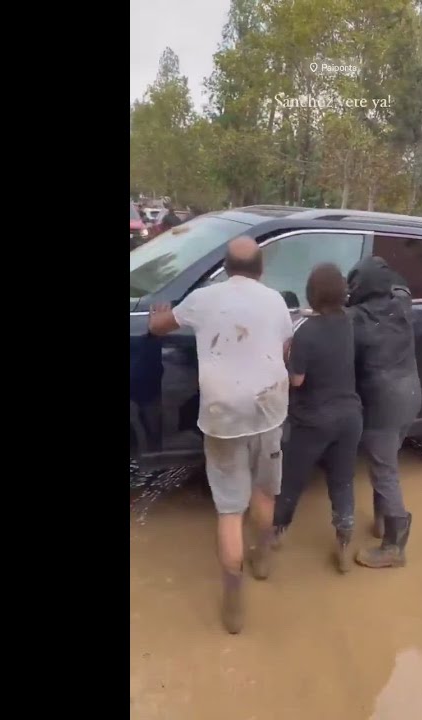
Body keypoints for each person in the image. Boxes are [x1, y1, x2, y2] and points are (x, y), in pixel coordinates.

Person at [148, 236, 293, 634]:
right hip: (268, 410)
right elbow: (284, 349)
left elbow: (159, 326)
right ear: (260, 269)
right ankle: (262, 557)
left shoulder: (203, 299)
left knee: (231, 509)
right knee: (265, 492)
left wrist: (156, 316)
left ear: (226, 268)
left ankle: (233, 597)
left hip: (221, 416)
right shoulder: (276, 300)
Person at [271, 264, 363, 572]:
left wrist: (287, 357)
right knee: (341, 481)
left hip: (313, 419)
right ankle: (344, 540)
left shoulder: (307, 330)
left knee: (291, 481)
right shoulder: (349, 322)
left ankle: (275, 536)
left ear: (312, 293)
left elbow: (296, 380)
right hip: (350, 416)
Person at [345, 256, 421, 569]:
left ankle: (394, 546)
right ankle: (381, 522)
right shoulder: (402, 305)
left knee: (384, 470)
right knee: (387, 461)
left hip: (382, 403)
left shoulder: (354, 319)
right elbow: (402, 285)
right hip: (412, 396)